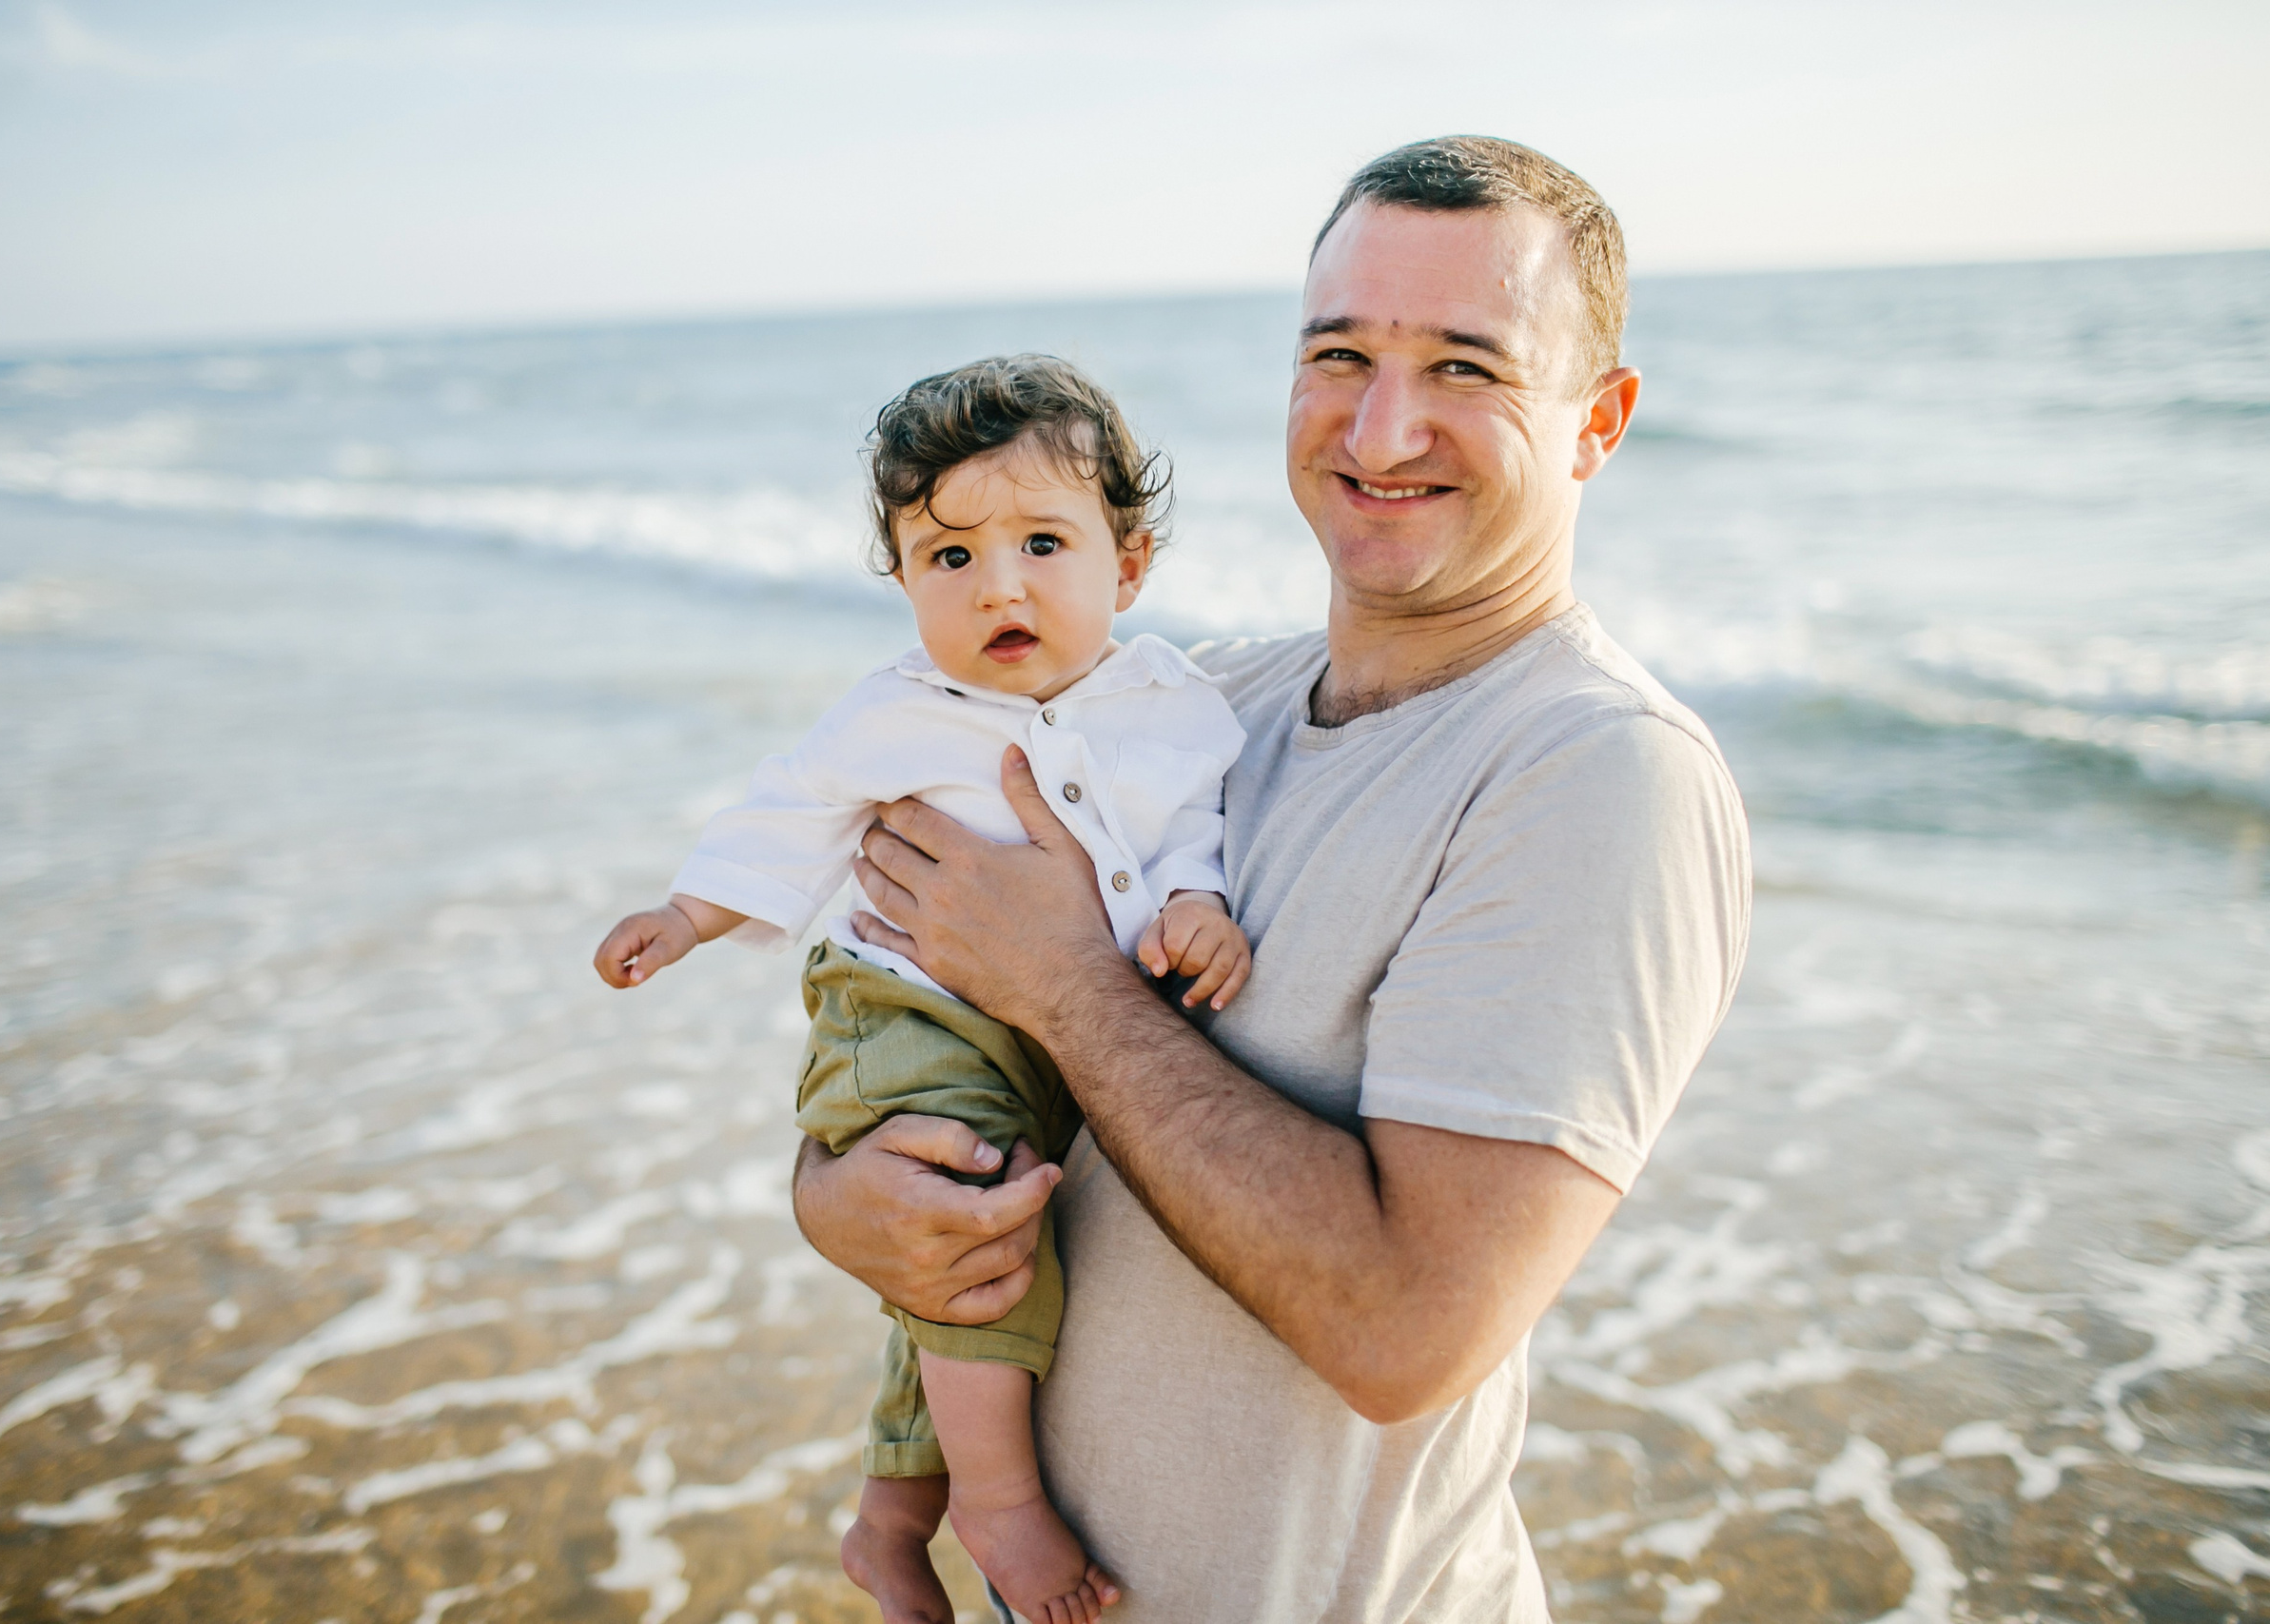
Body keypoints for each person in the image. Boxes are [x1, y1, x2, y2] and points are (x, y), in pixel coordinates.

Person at [792, 136, 1753, 1621]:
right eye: (1340, 354)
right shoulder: (1184, 701)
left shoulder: (1595, 772)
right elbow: (906, 1011)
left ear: (1597, 423)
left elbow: (1403, 1331)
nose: (1381, 427)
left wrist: (1062, 982)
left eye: (1466, 369)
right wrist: (837, 1197)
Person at [593, 355, 1250, 1624]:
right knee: (979, 1210)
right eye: (948, 559)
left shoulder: (1175, 704)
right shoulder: (894, 712)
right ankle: (1000, 1508)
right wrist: (687, 912)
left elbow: (1191, 834)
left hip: (1044, 1038)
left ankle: (892, 1521)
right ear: (903, 582)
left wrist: (1196, 909)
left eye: (1042, 543)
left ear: (1131, 562)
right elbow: (787, 814)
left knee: (947, 1267)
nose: (997, 584)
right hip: (904, 1009)